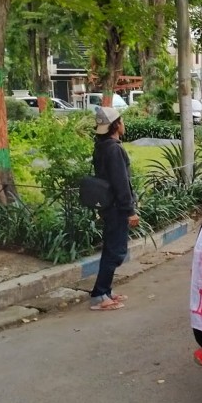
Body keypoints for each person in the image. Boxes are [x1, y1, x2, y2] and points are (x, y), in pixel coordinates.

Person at [88, 107, 139, 311]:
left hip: (107, 205)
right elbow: (121, 183)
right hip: (117, 207)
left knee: (111, 248)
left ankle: (105, 292)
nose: (124, 124)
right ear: (116, 125)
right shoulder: (114, 149)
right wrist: (130, 210)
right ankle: (100, 294)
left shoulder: (102, 146)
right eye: (122, 120)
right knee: (116, 251)